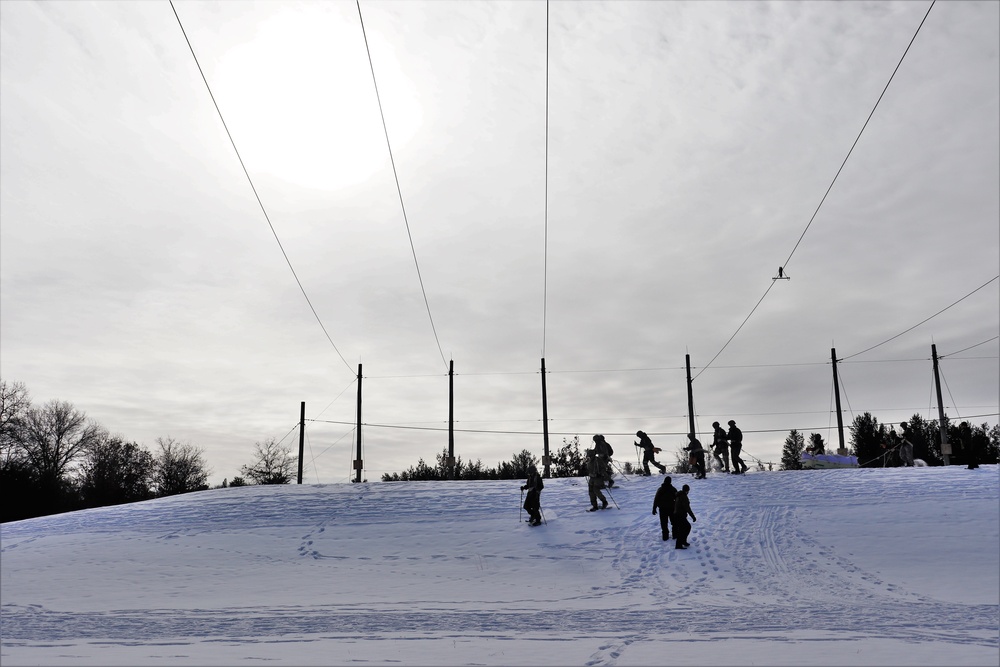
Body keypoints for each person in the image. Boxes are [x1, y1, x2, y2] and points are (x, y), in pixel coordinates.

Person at [652, 476, 677, 541]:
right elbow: (677, 499)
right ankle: (675, 535)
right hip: (671, 508)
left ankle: (665, 536)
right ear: (670, 481)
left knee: (664, 523)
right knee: (674, 522)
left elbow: (656, 499)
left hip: (663, 509)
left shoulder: (660, 489)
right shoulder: (673, 489)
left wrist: (654, 508)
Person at [672, 484, 696, 549]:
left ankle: (683, 541)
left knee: (685, 528)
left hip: (677, 515)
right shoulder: (683, 497)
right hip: (680, 515)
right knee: (684, 529)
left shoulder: (679, 495)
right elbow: (687, 508)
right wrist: (693, 517)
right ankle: (679, 545)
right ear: (687, 491)